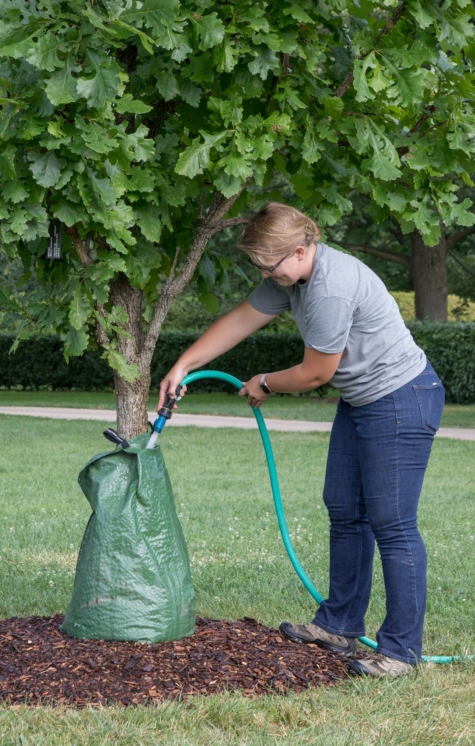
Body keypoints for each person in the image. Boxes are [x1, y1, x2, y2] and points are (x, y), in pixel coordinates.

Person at [158, 202, 445, 677]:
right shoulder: (292, 276)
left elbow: (316, 373)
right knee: (345, 509)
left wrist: (265, 382)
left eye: (269, 266)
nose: (265, 275)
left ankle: (400, 651)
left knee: (392, 523)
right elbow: (241, 319)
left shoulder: (330, 288)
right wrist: (182, 364)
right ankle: (339, 625)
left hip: (401, 398)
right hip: (362, 401)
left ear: (299, 249)